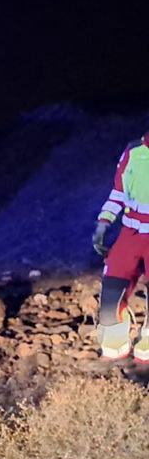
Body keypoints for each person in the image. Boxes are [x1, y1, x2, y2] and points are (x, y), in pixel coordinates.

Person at [93, 130, 149, 360]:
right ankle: (114, 347)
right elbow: (118, 192)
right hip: (130, 233)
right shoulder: (134, 151)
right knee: (112, 289)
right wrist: (103, 223)